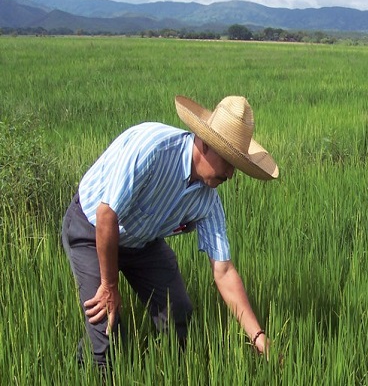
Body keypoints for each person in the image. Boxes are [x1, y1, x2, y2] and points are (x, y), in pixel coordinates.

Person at [61, 95, 278, 369]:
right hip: (92, 230)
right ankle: (87, 368)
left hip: (141, 241)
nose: (232, 174)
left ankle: (170, 371)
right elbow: (107, 215)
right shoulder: (153, 149)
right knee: (107, 332)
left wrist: (258, 337)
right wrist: (110, 286)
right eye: (229, 161)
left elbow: (223, 271)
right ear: (206, 144)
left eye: (237, 165)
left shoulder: (207, 201)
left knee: (178, 312)